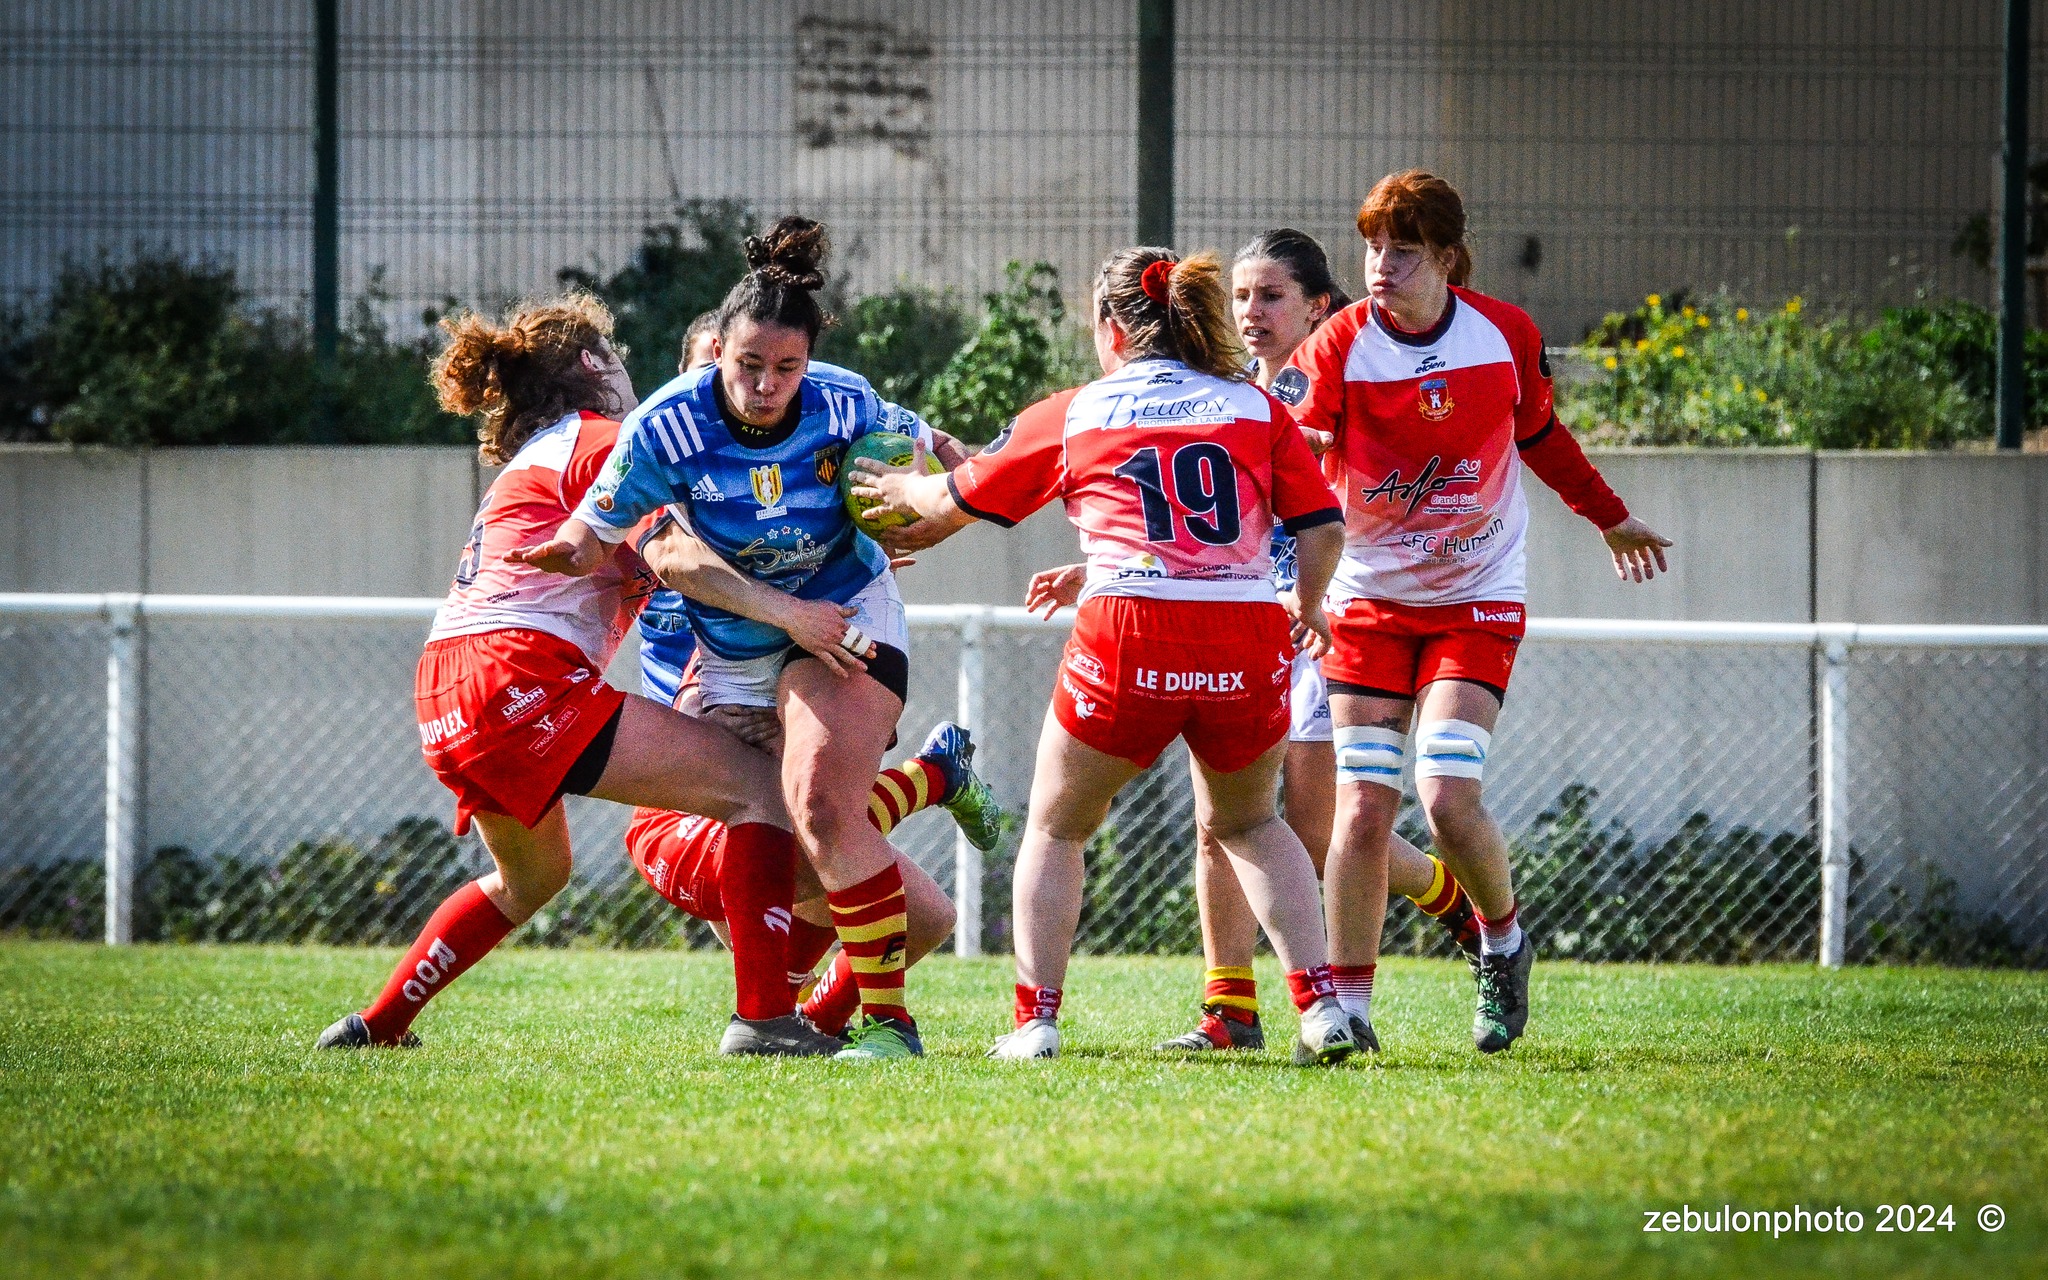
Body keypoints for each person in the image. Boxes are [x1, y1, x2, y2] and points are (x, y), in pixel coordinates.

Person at [852, 246, 1359, 1066]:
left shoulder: (1079, 410)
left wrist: (897, 488)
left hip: (1127, 629)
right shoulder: (1252, 407)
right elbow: (1323, 529)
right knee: (1254, 824)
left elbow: (952, 498)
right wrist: (1306, 608)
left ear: (1111, 327)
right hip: (1243, 630)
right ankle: (1323, 1009)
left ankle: (1036, 1022)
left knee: (1058, 826)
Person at [314, 292, 818, 1053]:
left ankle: (375, 1026)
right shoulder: (602, 438)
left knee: (532, 879)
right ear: (592, 365)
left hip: (446, 686)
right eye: (615, 357)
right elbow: (675, 557)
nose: (627, 372)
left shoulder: (540, 452)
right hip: (517, 673)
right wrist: (792, 606)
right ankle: (762, 1021)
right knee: (758, 790)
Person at [516, 217, 955, 1061]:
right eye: (747, 366)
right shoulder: (664, 428)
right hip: (731, 658)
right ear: (718, 350)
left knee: (822, 803)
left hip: (843, 610)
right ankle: (931, 782)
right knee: (901, 894)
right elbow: (600, 529)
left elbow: (916, 450)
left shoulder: (843, 398)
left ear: (810, 359)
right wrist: (565, 552)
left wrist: (934, 488)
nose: (764, 386)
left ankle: (886, 1029)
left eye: (785, 368)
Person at [1287, 171, 1673, 1053]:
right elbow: (1298, 459)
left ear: (1450, 258)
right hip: (1371, 602)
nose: (1380, 266)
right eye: (1373, 247)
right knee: (1359, 810)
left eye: (1404, 251)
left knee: (1450, 797)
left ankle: (1503, 944)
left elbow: (1541, 436)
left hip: (1477, 597)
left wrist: (1610, 518)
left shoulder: (1506, 334)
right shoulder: (1340, 344)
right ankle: (1348, 1013)